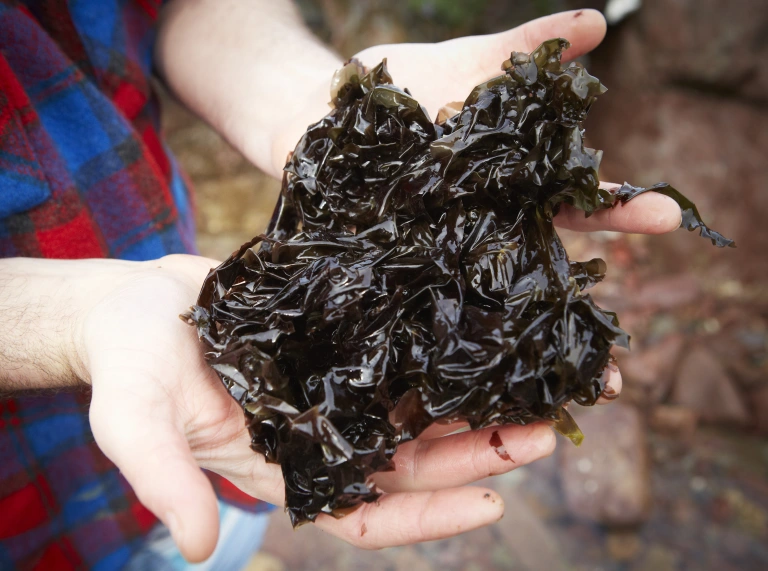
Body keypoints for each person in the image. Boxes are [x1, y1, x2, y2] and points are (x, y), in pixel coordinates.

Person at [0, 1, 683, 568]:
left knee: (212, 545)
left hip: (211, 463)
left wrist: (305, 92)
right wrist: (70, 320)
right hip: (31, 523)